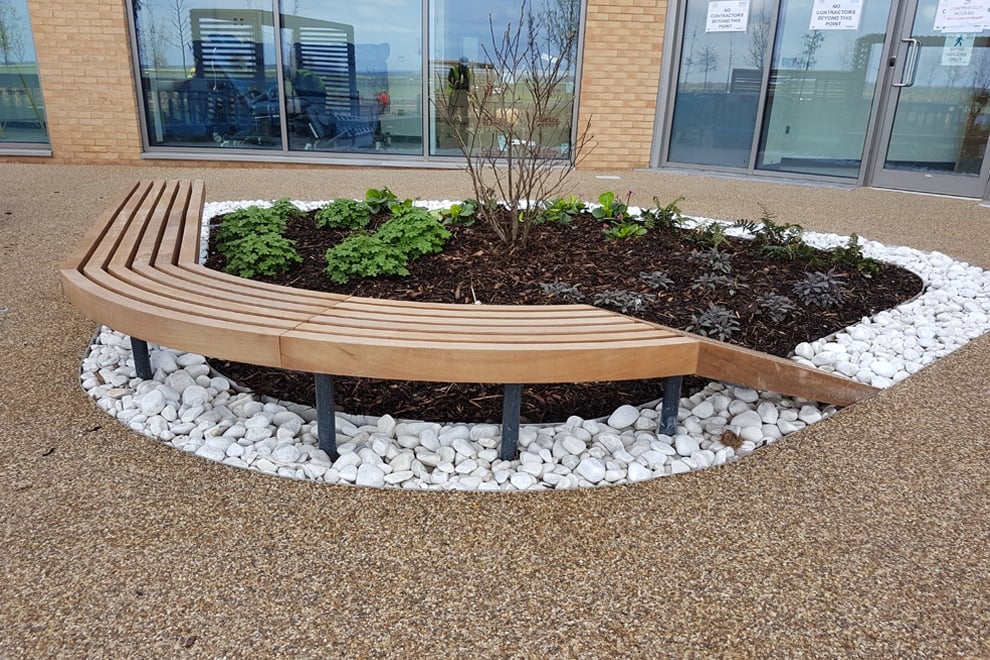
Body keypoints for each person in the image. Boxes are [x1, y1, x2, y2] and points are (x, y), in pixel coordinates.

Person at [447, 56, 471, 126]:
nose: (464, 67)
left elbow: (469, 81)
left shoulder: (467, 71)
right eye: (463, 65)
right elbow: (450, 79)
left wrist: (465, 84)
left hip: (463, 93)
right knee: (452, 109)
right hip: (454, 93)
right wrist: (456, 83)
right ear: (459, 64)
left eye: (465, 65)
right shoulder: (453, 70)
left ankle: (464, 124)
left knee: (464, 109)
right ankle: (450, 123)